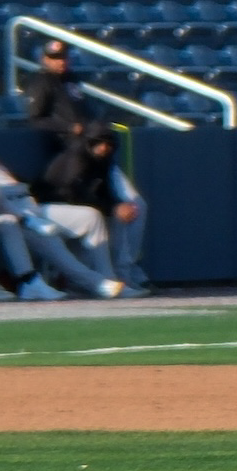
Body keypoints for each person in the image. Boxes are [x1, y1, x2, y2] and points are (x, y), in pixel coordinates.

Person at [25, 40, 150, 287]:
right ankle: (121, 272)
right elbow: (35, 120)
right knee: (119, 207)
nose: (60, 61)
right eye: (54, 57)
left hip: (97, 155)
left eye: (63, 56)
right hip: (76, 156)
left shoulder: (71, 80)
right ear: (44, 59)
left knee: (133, 206)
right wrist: (69, 127)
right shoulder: (42, 82)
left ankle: (125, 269)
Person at [0, 152, 139, 299]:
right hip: (7, 211)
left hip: (28, 202)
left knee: (90, 216)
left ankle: (107, 276)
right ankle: (95, 283)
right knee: (47, 236)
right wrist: (22, 217)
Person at [36, 120, 150, 289]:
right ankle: (107, 279)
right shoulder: (77, 157)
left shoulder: (103, 161)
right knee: (94, 216)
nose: (104, 147)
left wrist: (117, 207)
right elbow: (72, 193)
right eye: (99, 142)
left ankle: (122, 276)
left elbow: (103, 193)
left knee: (124, 212)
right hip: (45, 208)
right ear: (89, 142)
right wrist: (112, 207)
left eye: (108, 143)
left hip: (74, 209)